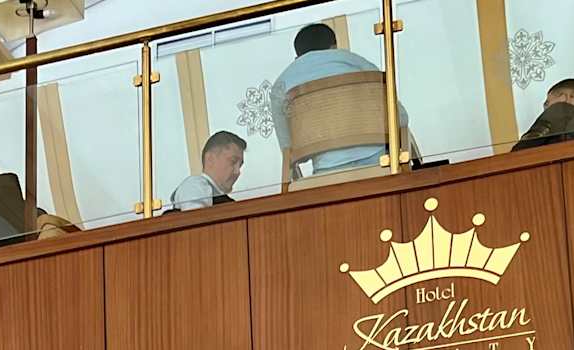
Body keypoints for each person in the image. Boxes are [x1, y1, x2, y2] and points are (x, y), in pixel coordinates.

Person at [271, 22, 412, 182]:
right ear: (334, 47)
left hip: (327, 175)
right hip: (380, 165)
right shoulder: (357, 63)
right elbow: (401, 118)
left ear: (298, 58)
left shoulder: (282, 84)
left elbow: (288, 149)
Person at [512, 78, 574, 151]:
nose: (545, 109)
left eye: (547, 103)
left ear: (565, 98)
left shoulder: (559, 109)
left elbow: (522, 151)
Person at [169, 131, 246, 210]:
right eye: (233, 161)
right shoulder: (195, 184)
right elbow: (195, 216)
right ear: (210, 159)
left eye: (240, 165)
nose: (237, 172)